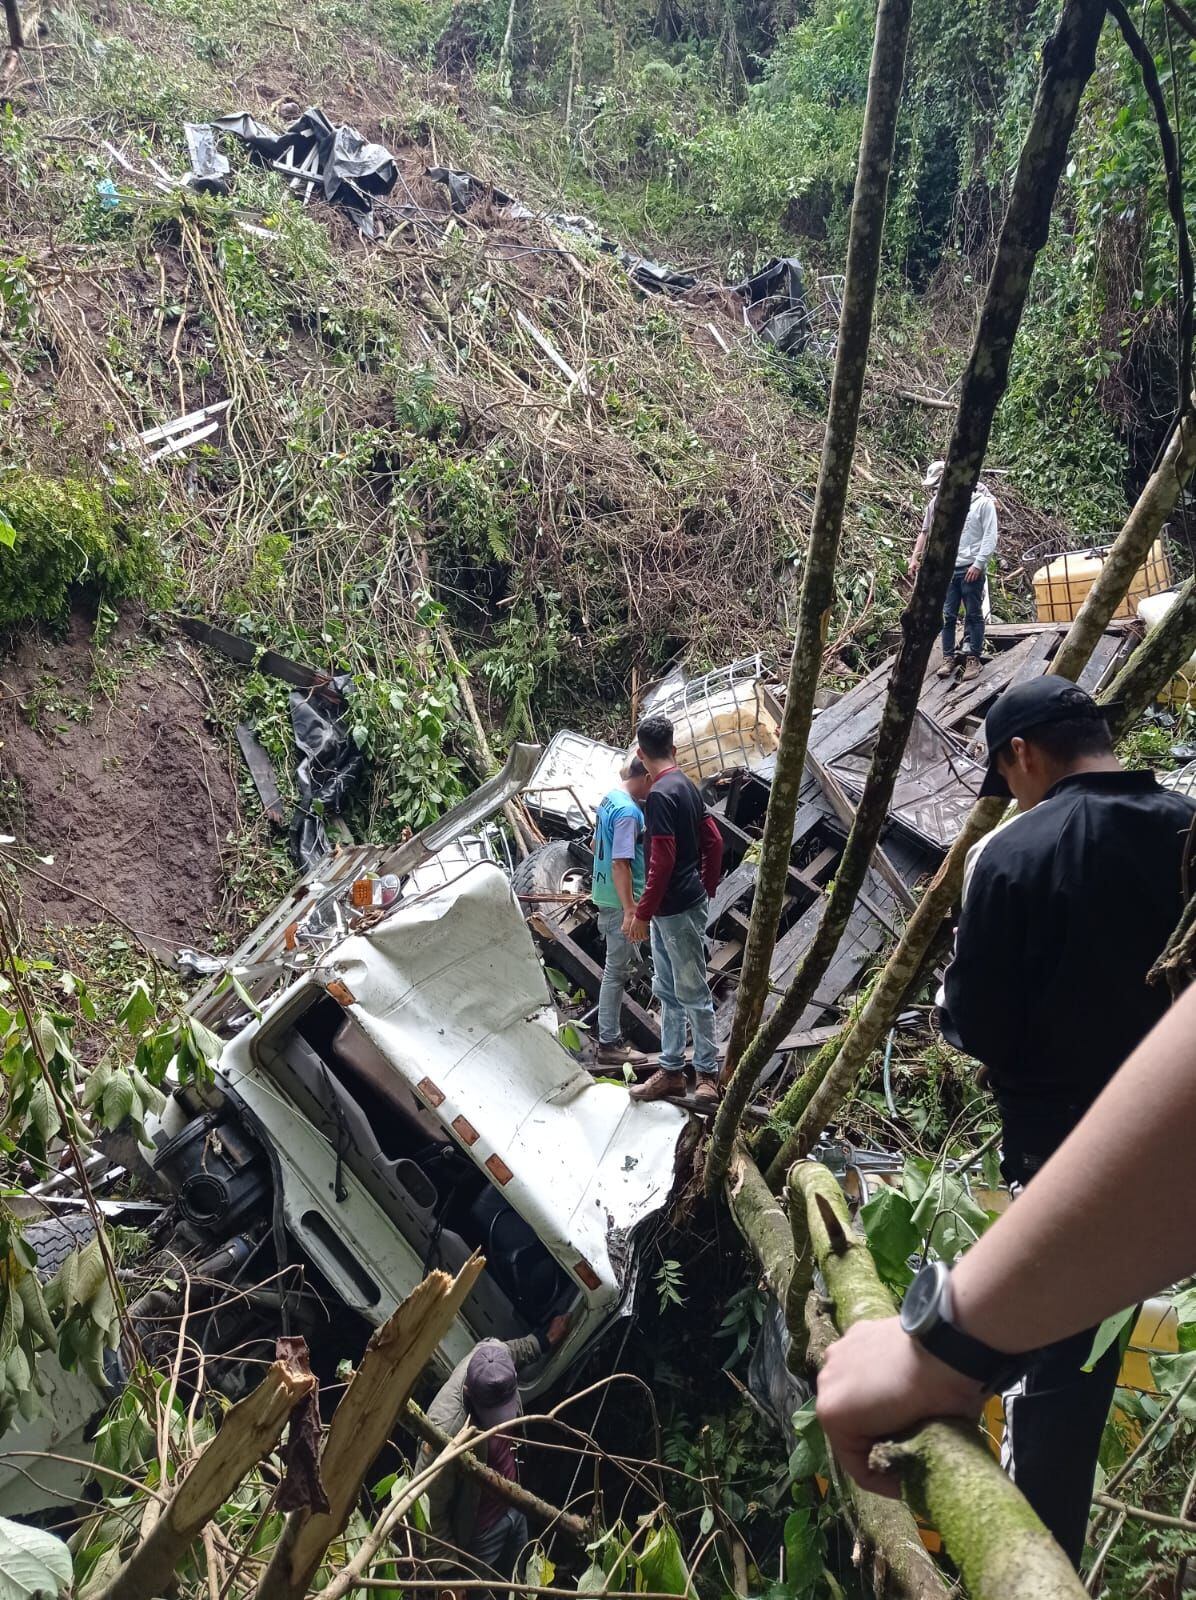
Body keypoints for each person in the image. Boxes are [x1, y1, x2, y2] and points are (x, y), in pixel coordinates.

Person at [926, 675, 1194, 1565]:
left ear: (1022, 755)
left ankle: (1044, 1563)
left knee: (1060, 1382)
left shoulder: (1006, 858)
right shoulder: (1186, 830)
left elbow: (980, 1024)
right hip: (1180, 1140)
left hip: (1062, 1167)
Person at [816, 979, 1196, 1503]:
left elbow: (972, 1013)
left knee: (1047, 1391)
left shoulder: (1008, 891)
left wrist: (946, 1345)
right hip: (1100, 1172)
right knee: (1075, 1390)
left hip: (1049, 1152)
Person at [625, 714, 724, 1105]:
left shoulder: (661, 796)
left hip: (673, 909)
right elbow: (713, 840)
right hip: (678, 906)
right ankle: (669, 1069)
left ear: (640, 754)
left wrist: (642, 912)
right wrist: (707, 885)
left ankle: (706, 1074)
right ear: (674, 748)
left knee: (692, 992)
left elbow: (661, 862)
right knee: (667, 990)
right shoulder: (685, 784)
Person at [421, 1322, 566, 1580]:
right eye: (494, 1416)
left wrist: (543, 1340)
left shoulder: (493, 1356)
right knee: (483, 1591)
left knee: (521, 1578)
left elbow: (512, 1351)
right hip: (479, 1530)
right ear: (469, 1394)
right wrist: (448, 1571)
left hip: (514, 1501)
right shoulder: (445, 1430)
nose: (502, 1423)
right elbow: (430, 1507)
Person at [590, 758, 654, 1069]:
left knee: (616, 969)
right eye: (652, 780)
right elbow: (620, 863)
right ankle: (609, 1043)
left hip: (605, 894)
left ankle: (609, 1038)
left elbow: (594, 844)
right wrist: (631, 908)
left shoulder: (610, 799)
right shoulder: (629, 812)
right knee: (615, 972)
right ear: (643, 777)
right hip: (620, 903)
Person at [910, 460, 998, 683]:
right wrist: (915, 557)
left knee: (973, 613)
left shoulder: (981, 502)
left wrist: (978, 564)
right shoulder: (935, 505)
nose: (937, 490)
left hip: (970, 567)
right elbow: (925, 532)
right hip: (948, 570)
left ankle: (973, 657)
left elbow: (989, 535)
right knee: (948, 615)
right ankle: (948, 657)